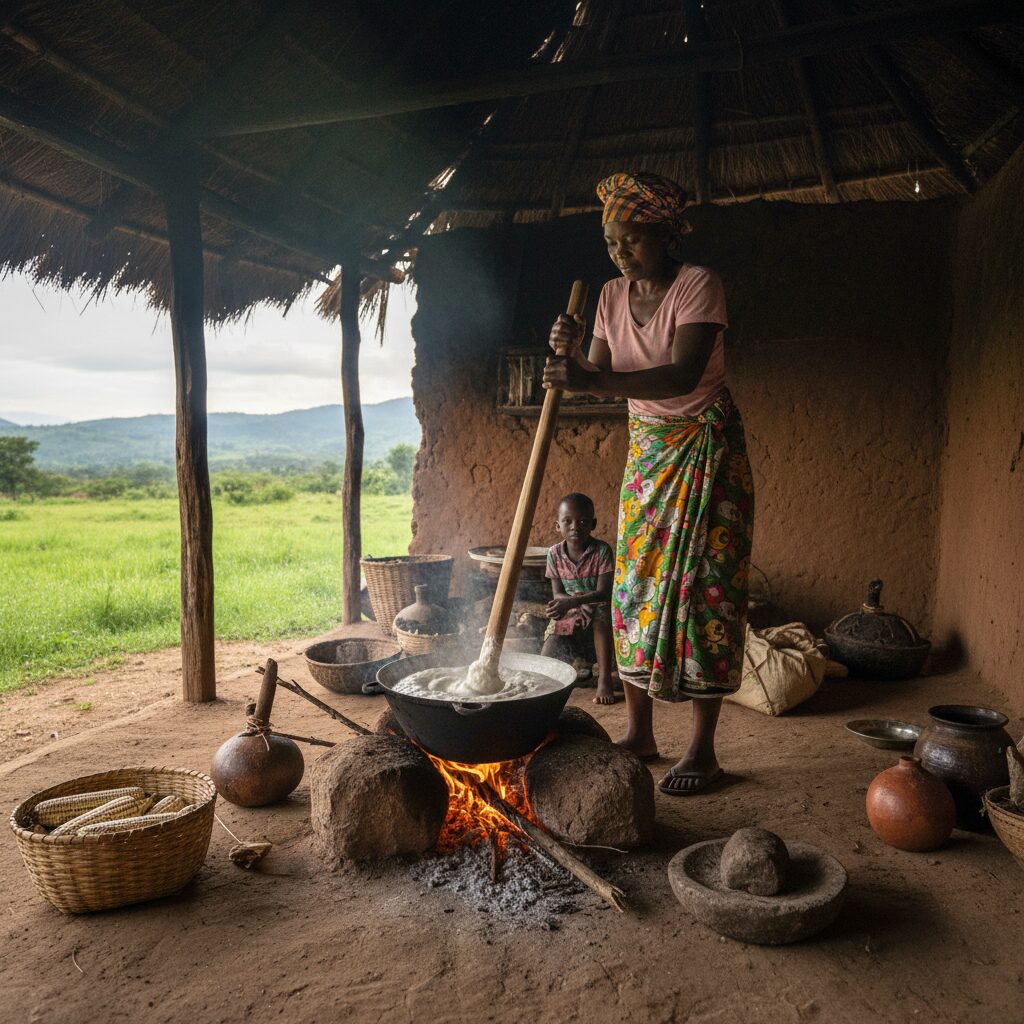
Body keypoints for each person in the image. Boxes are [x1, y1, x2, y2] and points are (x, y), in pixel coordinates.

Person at [542, 171, 755, 795]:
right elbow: (600, 375)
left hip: (705, 452)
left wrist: (589, 380)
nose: (620, 252)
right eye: (612, 241)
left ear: (664, 233)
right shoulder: (609, 295)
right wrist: (571, 354)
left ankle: (703, 751)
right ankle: (640, 732)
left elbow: (683, 376)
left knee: (702, 595)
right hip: (648, 455)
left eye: (632, 238)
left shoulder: (699, 287)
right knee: (634, 590)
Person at [541, 492, 617, 705]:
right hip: (571, 604)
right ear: (558, 525)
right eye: (568, 521)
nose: (575, 526)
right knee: (552, 633)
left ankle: (604, 679)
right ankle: (544, 678)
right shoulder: (554, 553)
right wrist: (563, 605)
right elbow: (557, 593)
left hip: (597, 604)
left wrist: (577, 601)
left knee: (601, 620)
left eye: (583, 521)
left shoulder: (601, 550)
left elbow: (604, 592)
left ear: (593, 524)